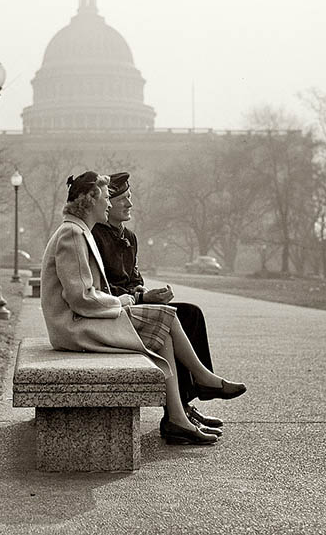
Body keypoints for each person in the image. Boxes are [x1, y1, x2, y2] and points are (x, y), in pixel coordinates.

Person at [40, 171, 246, 446]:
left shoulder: (78, 231)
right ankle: (197, 385)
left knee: (165, 322)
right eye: (106, 198)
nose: (110, 205)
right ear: (90, 200)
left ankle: (178, 417)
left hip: (81, 320)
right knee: (166, 317)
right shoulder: (73, 234)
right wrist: (124, 301)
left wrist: (130, 298)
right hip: (74, 327)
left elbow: (89, 295)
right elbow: (81, 299)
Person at [91, 172, 227, 437]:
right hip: (117, 311)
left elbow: (134, 277)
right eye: (123, 199)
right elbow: (102, 288)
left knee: (191, 314)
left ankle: (182, 408)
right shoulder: (96, 236)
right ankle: (186, 404)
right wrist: (142, 297)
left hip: (134, 303)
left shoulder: (129, 236)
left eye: (130, 197)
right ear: (108, 205)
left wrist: (146, 290)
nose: (130, 204)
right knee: (173, 318)